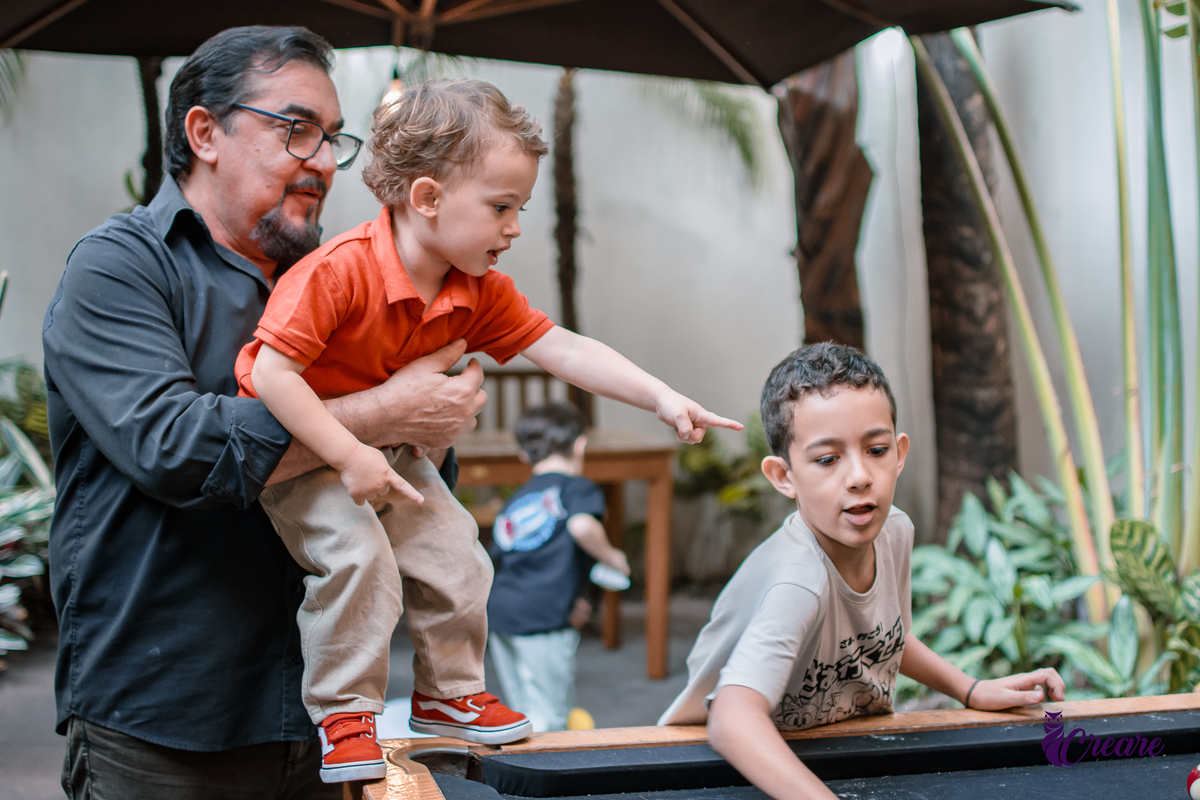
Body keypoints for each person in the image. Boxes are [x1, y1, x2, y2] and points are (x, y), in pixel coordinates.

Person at [235, 78, 741, 782]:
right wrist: (348, 453)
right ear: (427, 198)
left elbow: (562, 347)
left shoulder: (472, 287)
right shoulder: (339, 271)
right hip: (310, 450)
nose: (515, 227)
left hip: (386, 452)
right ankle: (345, 713)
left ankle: (447, 695)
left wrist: (661, 395)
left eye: (520, 208)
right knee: (359, 558)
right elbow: (271, 375)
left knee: (459, 554)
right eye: (502, 207)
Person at [42, 27, 489, 799]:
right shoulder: (118, 267)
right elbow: (179, 449)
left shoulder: (341, 279)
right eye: (296, 129)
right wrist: (385, 411)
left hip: (325, 723)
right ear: (204, 132)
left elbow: (408, 477)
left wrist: (430, 423)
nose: (323, 161)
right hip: (166, 721)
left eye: (332, 137)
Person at [658, 342, 1065, 800]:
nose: (859, 476)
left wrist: (970, 689)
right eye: (827, 459)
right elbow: (732, 722)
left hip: (836, 751)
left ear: (899, 452)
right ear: (784, 476)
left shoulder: (894, 532)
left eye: (876, 449)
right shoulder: (798, 584)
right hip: (730, 772)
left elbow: (885, 637)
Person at [485, 402, 629, 733]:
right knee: (550, 715)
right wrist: (612, 556)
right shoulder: (577, 487)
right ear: (580, 446)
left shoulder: (516, 499)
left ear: (523, 454)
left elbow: (506, 554)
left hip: (501, 610)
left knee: (521, 708)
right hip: (543, 615)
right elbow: (581, 526)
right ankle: (551, 759)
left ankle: (522, 755)